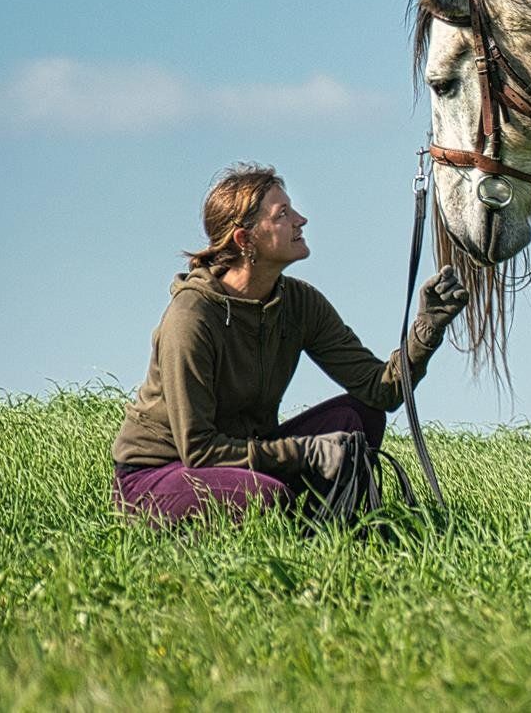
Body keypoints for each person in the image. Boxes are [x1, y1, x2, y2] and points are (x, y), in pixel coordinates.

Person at [111, 162, 467, 525]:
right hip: (159, 476)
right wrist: (307, 453)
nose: (301, 220)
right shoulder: (191, 317)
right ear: (245, 240)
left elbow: (381, 391)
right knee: (265, 497)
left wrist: (426, 329)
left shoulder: (299, 303)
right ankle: (294, 524)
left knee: (359, 417)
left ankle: (328, 531)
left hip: (242, 461)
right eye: (283, 214)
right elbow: (199, 450)